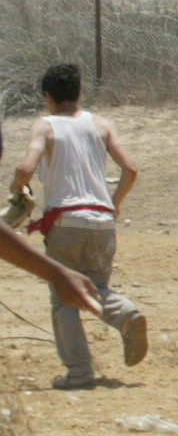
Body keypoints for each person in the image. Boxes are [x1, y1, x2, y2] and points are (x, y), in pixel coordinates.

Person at [11, 63, 142, 390]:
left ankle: (80, 371)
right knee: (95, 285)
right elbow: (130, 169)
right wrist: (115, 203)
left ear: (47, 97)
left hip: (65, 220)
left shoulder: (44, 126)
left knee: (63, 293)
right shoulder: (102, 124)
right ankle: (125, 312)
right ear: (80, 93)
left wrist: (17, 190)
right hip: (102, 219)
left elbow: (25, 167)